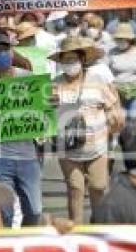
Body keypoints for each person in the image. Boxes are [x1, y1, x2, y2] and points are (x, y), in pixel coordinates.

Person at [51, 37, 124, 223]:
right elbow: (45, 115)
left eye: (73, 59)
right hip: (67, 149)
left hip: (98, 147)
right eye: (65, 60)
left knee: (99, 187)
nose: (70, 64)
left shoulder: (98, 81)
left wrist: (114, 126)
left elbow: (113, 107)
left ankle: (97, 226)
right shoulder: (53, 85)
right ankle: (76, 232)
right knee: (75, 188)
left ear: (82, 59)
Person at [0, 34, 42, 227]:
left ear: (12, 52)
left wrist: (49, 104)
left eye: (6, 49)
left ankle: (27, 244)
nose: (3, 54)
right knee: (4, 213)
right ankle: (8, 245)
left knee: (34, 210)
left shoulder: (28, 79)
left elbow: (41, 112)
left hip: (28, 155)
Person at [108, 23, 136, 116]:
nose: (121, 41)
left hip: (135, 91)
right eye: (118, 39)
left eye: (123, 39)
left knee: (133, 119)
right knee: (120, 120)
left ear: (130, 39)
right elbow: (107, 74)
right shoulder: (111, 53)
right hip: (117, 93)